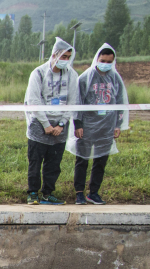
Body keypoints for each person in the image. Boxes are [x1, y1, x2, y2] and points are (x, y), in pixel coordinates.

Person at [67, 43, 128, 205]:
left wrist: (118, 125)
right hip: (87, 126)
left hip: (106, 127)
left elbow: (120, 102)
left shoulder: (115, 78)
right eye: (103, 60)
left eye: (109, 61)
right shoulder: (86, 77)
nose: (106, 64)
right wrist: (78, 124)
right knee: (82, 160)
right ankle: (79, 193)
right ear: (97, 59)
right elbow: (78, 102)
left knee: (100, 161)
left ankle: (93, 192)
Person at [23, 37, 78, 205]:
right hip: (40, 125)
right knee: (35, 161)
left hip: (60, 127)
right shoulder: (38, 73)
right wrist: (46, 125)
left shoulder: (71, 75)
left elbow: (73, 101)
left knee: (53, 164)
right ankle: (33, 192)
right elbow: (34, 100)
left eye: (68, 57)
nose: (66, 60)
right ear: (55, 55)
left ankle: (48, 193)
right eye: (63, 56)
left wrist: (61, 124)